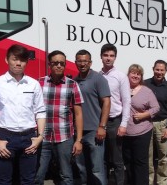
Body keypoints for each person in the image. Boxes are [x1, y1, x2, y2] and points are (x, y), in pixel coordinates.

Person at [0, 44, 46, 185]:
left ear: (26, 62)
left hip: (29, 138)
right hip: (6, 138)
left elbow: (41, 112)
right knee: (4, 181)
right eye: (14, 59)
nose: (18, 63)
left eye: (22, 60)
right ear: (7, 60)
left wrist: (40, 137)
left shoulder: (33, 84)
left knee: (28, 180)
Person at [35, 50, 83, 185]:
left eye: (62, 63)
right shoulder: (39, 83)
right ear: (49, 64)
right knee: (38, 175)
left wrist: (78, 140)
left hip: (64, 137)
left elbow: (78, 114)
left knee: (66, 175)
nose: (59, 66)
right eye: (55, 63)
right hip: (42, 136)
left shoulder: (72, 84)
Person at [74, 49, 111, 185]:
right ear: (75, 62)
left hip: (94, 131)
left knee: (97, 169)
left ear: (90, 63)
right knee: (82, 168)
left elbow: (106, 102)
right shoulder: (74, 80)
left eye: (85, 61)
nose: (82, 64)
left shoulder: (98, 79)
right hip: (78, 132)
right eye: (79, 61)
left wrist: (102, 126)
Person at [123, 64, 160, 185]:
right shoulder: (122, 88)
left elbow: (156, 108)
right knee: (128, 162)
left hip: (142, 132)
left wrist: (144, 115)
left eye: (138, 74)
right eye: (133, 73)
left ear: (141, 77)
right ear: (128, 74)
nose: (135, 76)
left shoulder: (146, 91)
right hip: (125, 132)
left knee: (140, 162)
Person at [99, 44, 131, 185]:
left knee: (117, 160)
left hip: (114, 121)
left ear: (115, 58)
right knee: (102, 158)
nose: (108, 58)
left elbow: (127, 101)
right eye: (106, 55)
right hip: (99, 122)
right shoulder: (96, 76)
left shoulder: (121, 76)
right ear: (101, 56)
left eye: (111, 56)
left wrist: (123, 124)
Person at [143, 60, 167, 185]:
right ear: (153, 69)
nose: (159, 72)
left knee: (163, 157)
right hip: (147, 123)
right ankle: (149, 181)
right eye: (157, 69)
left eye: (162, 70)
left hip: (162, 124)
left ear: (166, 71)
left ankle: (162, 181)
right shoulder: (145, 84)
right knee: (148, 156)